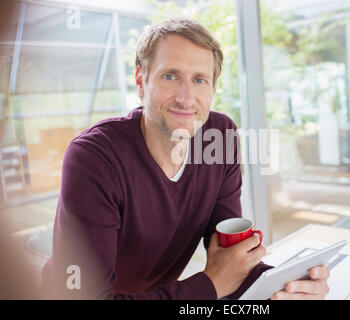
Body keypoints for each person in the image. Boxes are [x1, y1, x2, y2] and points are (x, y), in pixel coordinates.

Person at [41, 17, 329, 300]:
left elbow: (231, 258)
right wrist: (209, 286)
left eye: (199, 79)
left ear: (213, 88)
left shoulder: (220, 135)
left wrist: (286, 287)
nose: (186, 98)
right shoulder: (94, 157)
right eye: (170, 76)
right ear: (141, 80)